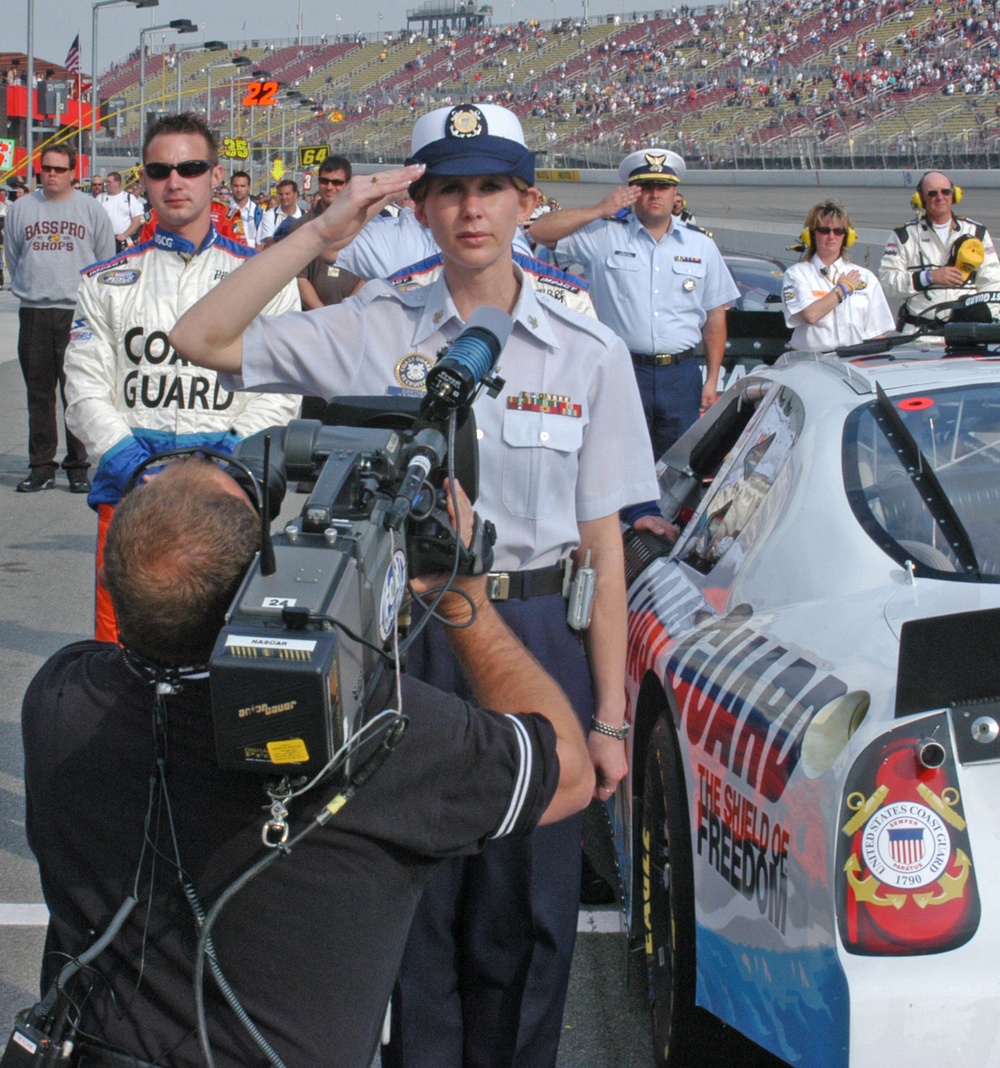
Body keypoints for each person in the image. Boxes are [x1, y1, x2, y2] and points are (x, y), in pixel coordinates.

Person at [169, 102, 659, 1068]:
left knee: (527, 919)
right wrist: (321, 229)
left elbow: (601, 545)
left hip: (540, 639)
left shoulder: (588, 349)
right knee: (414, 914)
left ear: (526, 200)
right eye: (448, 190)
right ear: (422, 208)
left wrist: (608, 717)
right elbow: (203, 338)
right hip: (409, 640)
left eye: (490, 188)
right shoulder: (373, 325)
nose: (471, 209)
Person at [22, 457, 594, 1068]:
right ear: (258, 588)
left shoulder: (60, 702)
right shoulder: (378, 735)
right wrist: (463, 600)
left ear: (110, 585)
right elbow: (569, 772)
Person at [64, 112, 300, 642]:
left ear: (216, 175)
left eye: (190, 167)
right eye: (160, 169)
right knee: (120, 653)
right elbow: (82, 387)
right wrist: (136, 467)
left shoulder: (262, 278)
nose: (175, 181)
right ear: (143, 179)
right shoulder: (104, 282)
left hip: (229, 490)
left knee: (227, 655)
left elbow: (280, 390)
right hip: (131, 488)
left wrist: (224, 471)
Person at [531, 147, 740, 461]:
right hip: (622, 367)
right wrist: (599, 210)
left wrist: (711, 379)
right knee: (617, 460)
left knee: (677, 464)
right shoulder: (603, 236)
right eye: (645, 187)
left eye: (663, 187)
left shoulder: (701, 245)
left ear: (675, 194)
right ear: (631, 192)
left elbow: (714, 317)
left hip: (680, 374)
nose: (654, 195)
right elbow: (539, 231)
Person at [5, 144, 115, 493]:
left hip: (76, 313)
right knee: (39, 393)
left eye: (58, 169)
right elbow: (13, 255)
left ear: (72, 173)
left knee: (76, 392)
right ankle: (41, 465)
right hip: (35, 311)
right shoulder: (22, 209)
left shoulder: (90, 209)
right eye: (46, 169)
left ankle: (78, 465)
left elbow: (105, 261)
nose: (51, 174)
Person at [879, 170, 1000, 327]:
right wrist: (928, 277)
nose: (940, 197)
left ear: (954, 194)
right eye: (932, 193)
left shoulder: (976, 232)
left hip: (965, 333)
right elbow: (887, 282)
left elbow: (992, 282)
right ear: (921, 198)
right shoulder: (904, 235)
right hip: (920, 335)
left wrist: (991, 319)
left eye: (945, 192)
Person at [781, 201, 894, 351]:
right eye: (824, 230)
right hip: (811, 361)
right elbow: (810, 315)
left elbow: (877, 333)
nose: (831, 236)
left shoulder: (866, 278)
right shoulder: (796, 274)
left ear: (847, 236)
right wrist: (841, 289)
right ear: (812, 235)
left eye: (838, 231)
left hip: (855, 361)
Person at [96, 170, 145, 251]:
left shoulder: (129, 198)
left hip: (124, 241)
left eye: (109, 182)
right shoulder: (100, 198)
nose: (106, 184)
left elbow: (137, 220)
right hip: (105, 240)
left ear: (117, 183)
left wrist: (125, 235)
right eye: (106, 182)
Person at [230, 169, 262, 247]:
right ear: (231, 186)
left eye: (242, 186)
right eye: (236, 186)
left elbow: (261, 244)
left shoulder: (258, 212)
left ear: (249, 187)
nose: (239, 190)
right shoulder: (223, 209)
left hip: (251, 256)